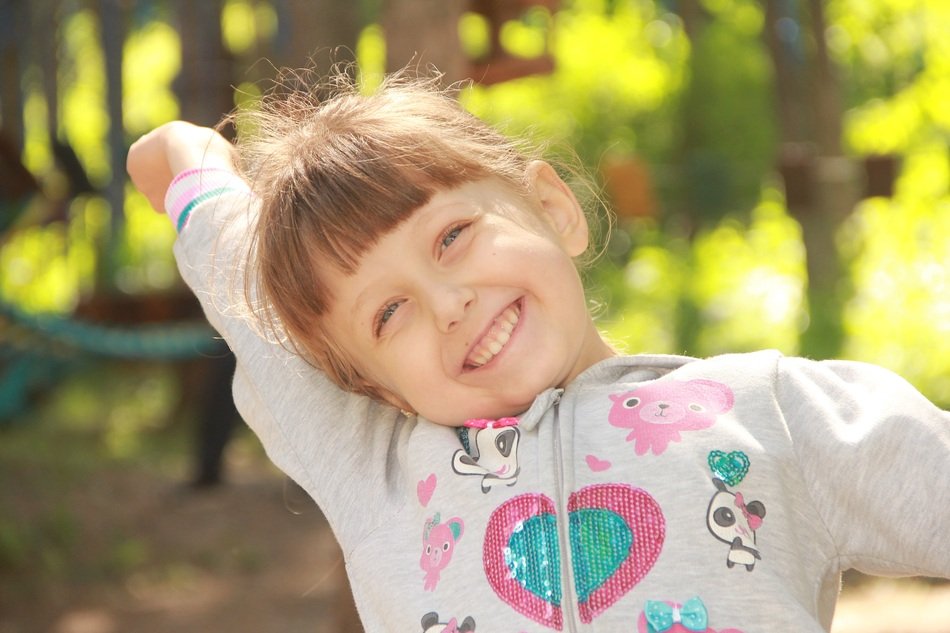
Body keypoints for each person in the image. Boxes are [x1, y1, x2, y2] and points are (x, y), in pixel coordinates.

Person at [127, 69, 950, 632]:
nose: (448, 306)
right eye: (388, 315)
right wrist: (206, 173)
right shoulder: (371, 462)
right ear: (367, 384)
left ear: (553, 207)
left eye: (452, 235)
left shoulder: (772, 413)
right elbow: (191, 203)